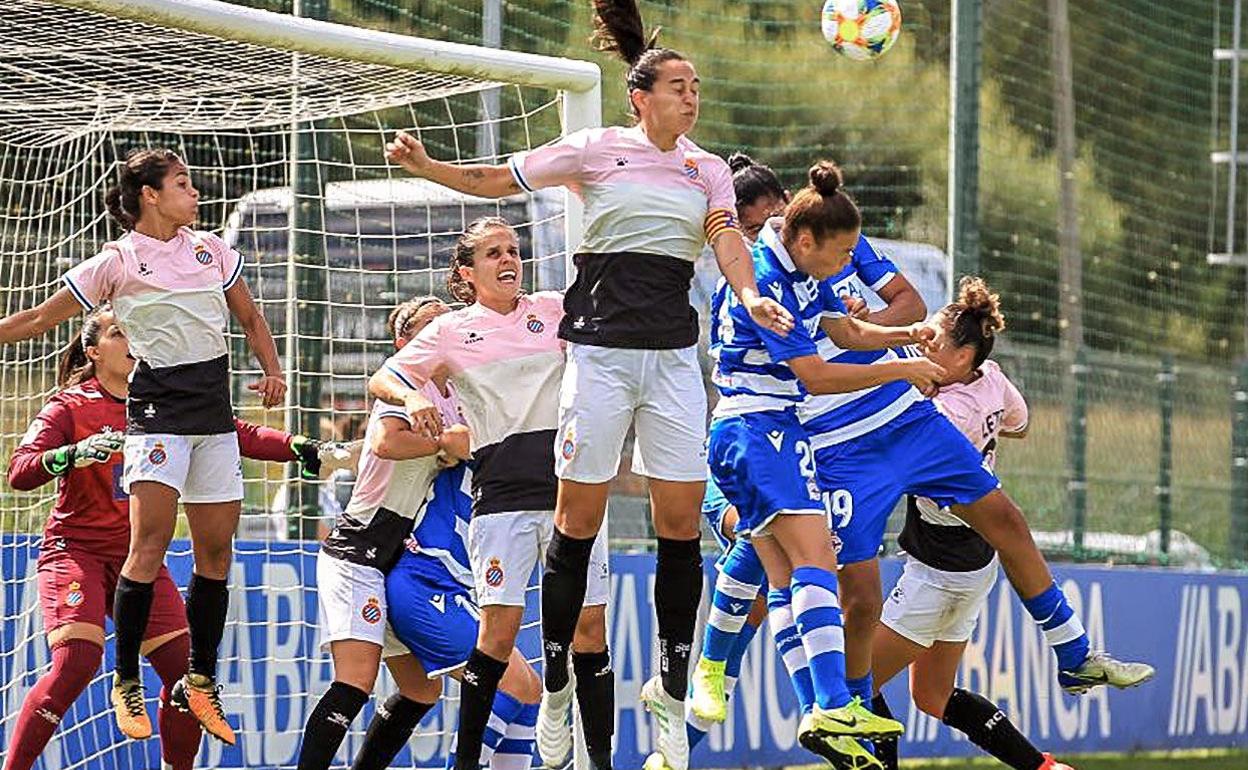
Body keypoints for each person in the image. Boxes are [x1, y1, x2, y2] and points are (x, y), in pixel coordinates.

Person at [384, 3, 794, 765]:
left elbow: (726, 240)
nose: (691, 97)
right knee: (575, 524)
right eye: (679, 85)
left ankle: (671, 695)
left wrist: (749, 295)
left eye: (697, 87)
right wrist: (428, 168)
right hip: (600, 358)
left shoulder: (706, 170)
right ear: (641, 98)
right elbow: (494, 177)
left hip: (672, 363)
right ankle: (562, 691)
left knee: (679, 528)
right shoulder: (595, 151)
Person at [0, 148, 285, 744]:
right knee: (150, 542)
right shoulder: (117, 261)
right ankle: (125, 681)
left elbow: (252, 318)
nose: (197, 194)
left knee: (216, 554)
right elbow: (40, 319)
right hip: (157, 417)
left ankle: (201, 682)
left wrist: (273, 370)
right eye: (184, 183)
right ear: (151, 194)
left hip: (213, 419)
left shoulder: (211, 249)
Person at [4, 305, 344, 770]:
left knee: (186, 676)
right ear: (92, 350)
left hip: (140, 561)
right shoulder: (69, 407)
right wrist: (72, 454)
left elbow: (236, 433)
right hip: (75, 551)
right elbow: (19, 473)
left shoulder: (166, 401)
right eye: (119, 333)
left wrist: (301, 447)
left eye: (135, 333)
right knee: (77, 661)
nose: (131, 342)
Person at [704, 161, 947, 770]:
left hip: (774, 431)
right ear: (806, 239)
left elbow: (845, 329)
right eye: (840, 255)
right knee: (814, 562)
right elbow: (815, 374)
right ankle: (815, 699)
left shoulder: (799, 265)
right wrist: (901, 368)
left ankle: (814, 704)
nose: (847, 266)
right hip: (753, 431)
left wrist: (910, 332)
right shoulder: (767, 280)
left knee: (788, 577)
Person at [368, 219, 611, 770]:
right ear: (466, 272)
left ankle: (600, 759)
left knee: (589, 632)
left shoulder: (553, 310)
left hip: (572, 496)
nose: (508, 260)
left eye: (514, 250)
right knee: (496, 636)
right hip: (500, 502)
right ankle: (466, 763)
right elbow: (383, 378)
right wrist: (410, 398)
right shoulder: (452, 331)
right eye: (493, 253)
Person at [299, 295, 543, 770]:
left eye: (446, 325)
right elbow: (388, 441)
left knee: (420, 689)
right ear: (404, 343)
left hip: (400, 562)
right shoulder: (402, 388)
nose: (441, 335)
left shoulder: (454, 396)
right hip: (358, 553)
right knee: (355, 682)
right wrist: (442, 445)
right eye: (428, 328)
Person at [868, 279, 1076, 770]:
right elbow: (1020, 424)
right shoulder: (992, 377)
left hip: (939, 569)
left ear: (962, 358)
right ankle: (1043, 768)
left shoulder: (942, 413)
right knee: (933, 695)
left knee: (853, 687)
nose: (921, 342)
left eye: (932, 341)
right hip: (973, 561)